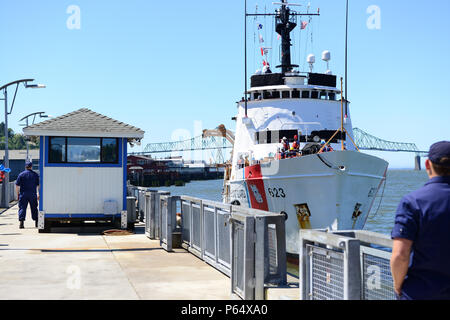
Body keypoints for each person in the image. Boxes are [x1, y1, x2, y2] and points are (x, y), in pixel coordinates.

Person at [390, 141, 450, 300]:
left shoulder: (412, 202)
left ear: (427, 164)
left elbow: (400, 254)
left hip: (419, 292)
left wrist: (397, 286)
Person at [15, 160, 40, 229]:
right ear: (31, 166)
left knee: (22, 208)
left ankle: (21, 223)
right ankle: (36, 222)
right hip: (32, 194)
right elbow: (38, 185)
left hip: (23, 194)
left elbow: (17, 186)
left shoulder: (21, 174)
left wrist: (17, 194)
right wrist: (38, 193)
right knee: (34, 208)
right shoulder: (35, 175)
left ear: (26, 167)